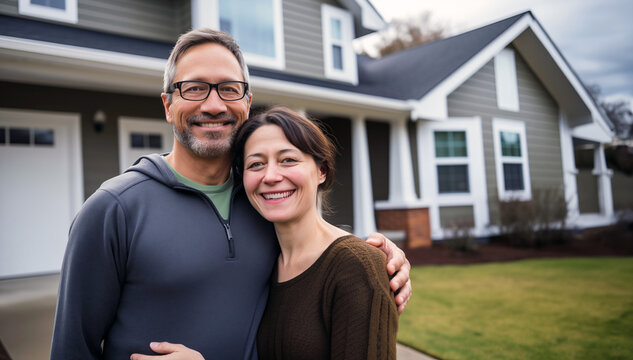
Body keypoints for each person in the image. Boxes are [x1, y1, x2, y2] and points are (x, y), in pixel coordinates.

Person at [50, 28, 410, 360]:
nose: (213, 105)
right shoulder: (113, 210)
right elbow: (71, 350)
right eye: (193, 88)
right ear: (167, 105)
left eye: (229, 88)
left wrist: (379, 261)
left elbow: (320, 255)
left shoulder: (265, 201)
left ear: (247, 101)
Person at [130, 107, 398, 360]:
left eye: (288, 160)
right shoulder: (263, 259)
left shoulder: (356, 267)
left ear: (321, 170)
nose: (270, 176)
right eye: (256, 164)